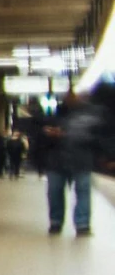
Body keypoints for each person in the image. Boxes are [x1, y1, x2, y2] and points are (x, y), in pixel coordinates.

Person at [43, 91, 102, 237]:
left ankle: (82, 225)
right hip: (57, 160)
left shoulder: (90, 115)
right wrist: (47, 134)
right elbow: (40, 134)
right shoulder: (54, 115)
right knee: (55, 192)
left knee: (81, 192)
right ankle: (56, 222)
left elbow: (96, 136)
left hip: (81, 160)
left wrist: (65, 134)